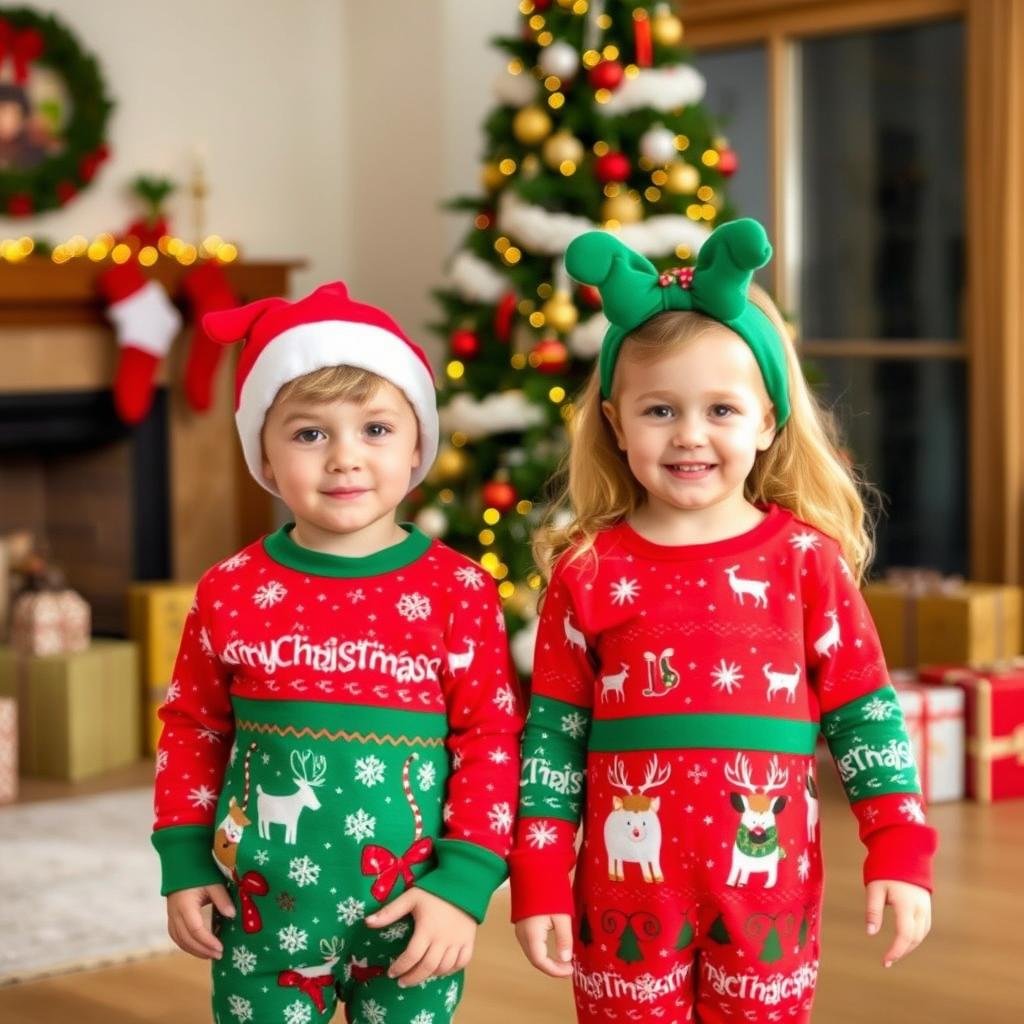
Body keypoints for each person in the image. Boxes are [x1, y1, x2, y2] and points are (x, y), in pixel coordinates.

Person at [509, 219, 935, 1024]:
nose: (690, 435)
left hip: (766, 897)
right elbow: (553, 738)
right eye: (660, 410)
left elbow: (865, 715)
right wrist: (536, 871)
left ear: (768, 421)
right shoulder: (589, 570)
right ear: (614, 421)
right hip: (623, 896)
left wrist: (900, 847)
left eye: (721, 410)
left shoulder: (806, 563)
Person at [151, 282, 523, 1023]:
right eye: (310, 434)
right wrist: (184, 858)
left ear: (420, 443)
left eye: (377, 430)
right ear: (263, 450)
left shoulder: (459, 590)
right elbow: (193, 727)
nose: (344, 458)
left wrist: (465, 884)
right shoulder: (230, 590)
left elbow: (490, 740)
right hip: (259, 910)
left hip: (413, 913)